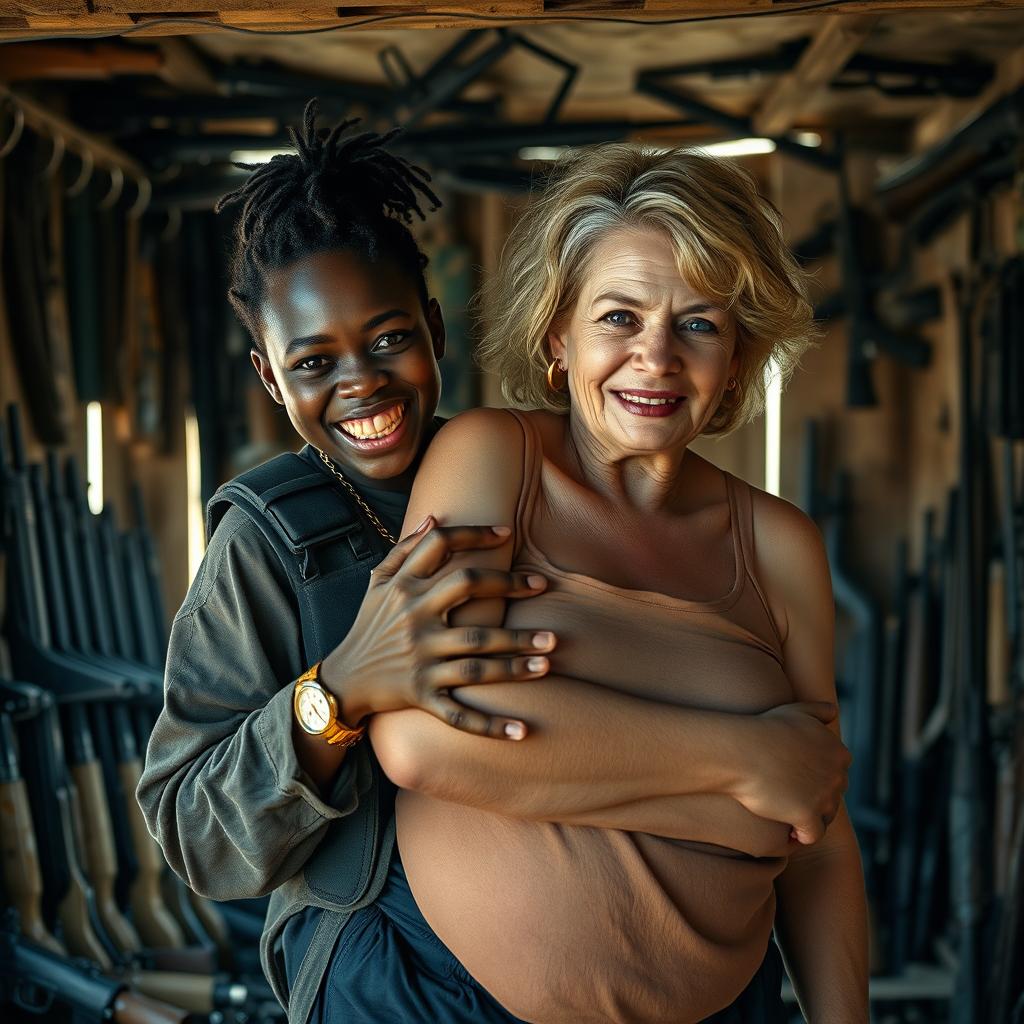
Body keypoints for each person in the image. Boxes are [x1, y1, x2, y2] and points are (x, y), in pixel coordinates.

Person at [136, 106, 852, 1024]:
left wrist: (761, 798)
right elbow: (217, 826)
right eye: (314, 361)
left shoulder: (500, 474)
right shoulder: (284, 535)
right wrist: (337, 694)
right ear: (271, 379)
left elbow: (815, 812)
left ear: (435, 329)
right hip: (414, 980)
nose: (360, 383)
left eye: (389, 338)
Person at [369, 144, 870, 1023]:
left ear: (740, 356)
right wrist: (744, 764)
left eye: (699, 324)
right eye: (618, 318)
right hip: (456, 1006)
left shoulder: (780, 545)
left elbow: (817, 835)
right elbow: (421, 745)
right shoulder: (494, 460)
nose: (657, 357)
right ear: (559, 336)